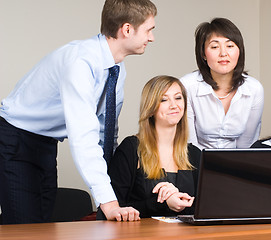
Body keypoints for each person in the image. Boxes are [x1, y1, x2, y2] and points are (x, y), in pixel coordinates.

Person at [0, 0, 157, 224]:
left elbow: (106, 131)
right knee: (23, 226)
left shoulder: (115, 68)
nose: (151, 38)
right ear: (127, 29)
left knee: (43, 225)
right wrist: (108, 201)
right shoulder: (80, 62)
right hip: (17, 138)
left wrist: (114, 187)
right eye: (149, 30)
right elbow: (83, 134)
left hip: (45, 142)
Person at [97, 75, 201, 219]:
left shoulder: (194, 154)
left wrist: (179, 200)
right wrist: (163, 202)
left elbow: (202, 209)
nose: (174, 105)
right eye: (164, 100)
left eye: (178, 98)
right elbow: (116, 208)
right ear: (151, 108)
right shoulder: (131, 149)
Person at [180, 18, 264, 149]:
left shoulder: (254, 89)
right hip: (196, 163)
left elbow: (247, 144)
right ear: (203, 54)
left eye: (230, 46)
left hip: (237, 165)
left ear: (239, 50)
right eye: (214, 47)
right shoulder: (187, 86)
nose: (223, 53)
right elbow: (189, 143)